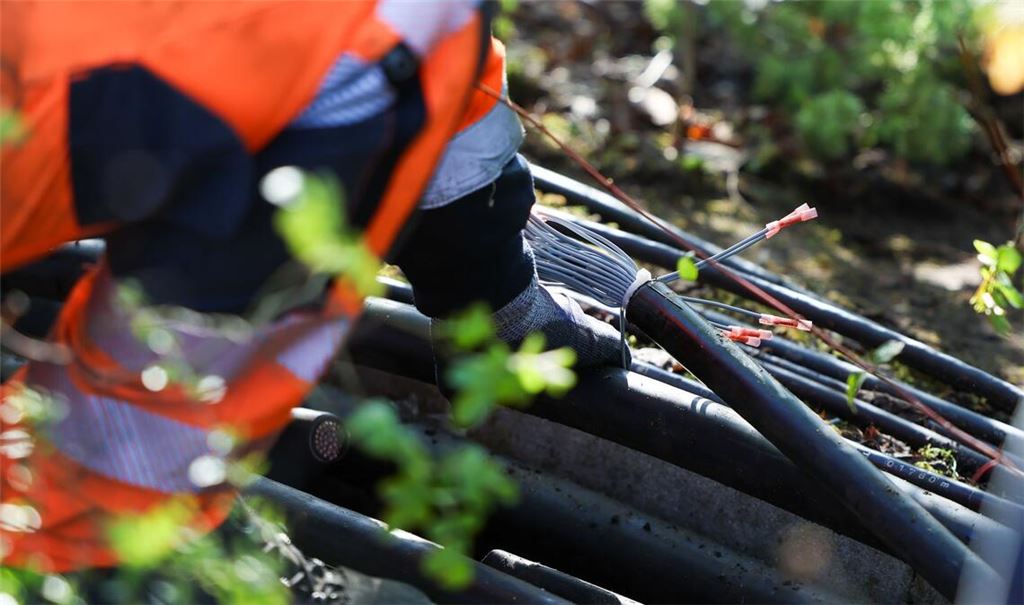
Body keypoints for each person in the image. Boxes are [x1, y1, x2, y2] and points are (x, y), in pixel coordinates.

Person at [0, 0, 621, 573]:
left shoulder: (396, 26)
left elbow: (434, 60)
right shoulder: (346, 64)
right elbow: (152, 388)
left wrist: (495, 288)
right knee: (105, 496)